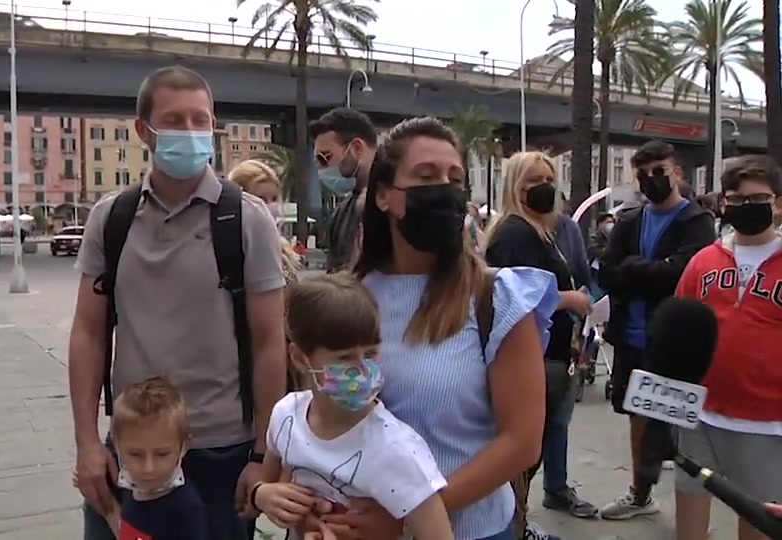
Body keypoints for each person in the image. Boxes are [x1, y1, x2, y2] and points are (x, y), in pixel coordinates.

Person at [69, 65, 287, 540]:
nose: (190, 132)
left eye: (200, 120)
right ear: (143, 131)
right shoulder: (112, 219)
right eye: (175, 120)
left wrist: (262, 456)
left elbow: (272, 341)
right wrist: (88, 442)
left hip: (221, 450)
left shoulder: (246, 220)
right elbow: (88, 331)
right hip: (132, 447)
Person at [350, 117, 555, 540]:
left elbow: (521, 442)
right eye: (426, 176)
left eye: (455, 178)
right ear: (384, 196)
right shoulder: (350, 299)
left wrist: (412, 515)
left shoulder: (495, 299)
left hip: (471, 530)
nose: (445, 188)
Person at [250, 273, 454, 540]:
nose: (361, 369)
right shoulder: (286, 416)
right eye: (344, 358)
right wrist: (262, 496)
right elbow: (275, 481)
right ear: (300, 358)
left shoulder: (397, 450)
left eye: (370, 354)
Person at [596, 140, 716, 520]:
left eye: (659, 172)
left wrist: (634, 268)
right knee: (638, 416)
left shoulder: (696, 222)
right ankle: (640, 493)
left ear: (677, 172)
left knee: (680, 423)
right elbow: (607, 270)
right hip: (630, 338)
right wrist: (648, 270)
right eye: (643, 174)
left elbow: (681, 273)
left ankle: (691, 507)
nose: (651, 180)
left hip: (672, 343)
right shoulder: (630, 220)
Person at [483, 152, 596, 540]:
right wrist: (569, 299)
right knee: (523, 452)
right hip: (533, 357)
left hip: (550, 355)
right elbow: (515, 294)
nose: (544, 186)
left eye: (549, 177)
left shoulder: (540, 230)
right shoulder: (516, 233)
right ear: (515, 186)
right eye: (532, 180)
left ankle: (519, 520)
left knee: (536, 447)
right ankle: (513, 523)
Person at [673, 155, 782, 540]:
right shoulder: (704, 260)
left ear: (778, 203)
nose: (745, 208)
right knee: (688, 514)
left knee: (757, 522)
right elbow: (678, 330)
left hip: (767, 423)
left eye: (757, 200)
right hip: (699, 414)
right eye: (735, 201)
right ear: (723, 204)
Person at [74, 377, 211, 539]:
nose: (148, 468)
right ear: (116, 445)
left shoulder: (185, 508)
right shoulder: (130, 487)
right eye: (135, 454)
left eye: (162, 454)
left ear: (184, 446)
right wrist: (108, 507)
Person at [311, 108, 378, 273]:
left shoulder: (398, 203)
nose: (321, 168)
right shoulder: (341, 213)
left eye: (324, 157)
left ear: (357, 148)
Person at [228, 159, 302, 284]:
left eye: (274, 198)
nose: (270, 206)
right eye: (260, 199)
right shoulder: (230, 249)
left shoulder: (283, 250)